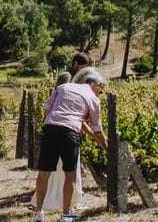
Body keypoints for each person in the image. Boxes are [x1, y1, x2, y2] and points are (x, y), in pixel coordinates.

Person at [32, 67, 108, 222]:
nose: (102, 92)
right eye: (102, 88)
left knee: (43, 174)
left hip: (50, 129)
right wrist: (107, 147)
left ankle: (38, 214)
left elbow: (47, 110)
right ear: (95, 84)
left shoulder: (63, 87)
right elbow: (97, 130)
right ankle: (66, 215)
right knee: (70, 176)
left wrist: (60, 123)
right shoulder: (93, 99)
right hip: (69, 135)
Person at [31, 53, 92, 213]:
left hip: (66, 128)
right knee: (61, 173)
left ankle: (68, 204)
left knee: (67, 173)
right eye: (84, 68)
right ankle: (60, 207)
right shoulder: (66, 77)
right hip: (61, 129)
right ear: (75, 64)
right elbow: (55, 102)